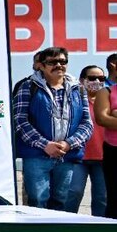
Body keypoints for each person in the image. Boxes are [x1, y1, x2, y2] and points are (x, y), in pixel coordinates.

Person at [12, 47, 93, 211]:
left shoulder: (78, 89)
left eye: (62, 61)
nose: (58, 65)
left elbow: (87, 124)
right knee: (37, 201)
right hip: (36, 156)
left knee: (60, 201)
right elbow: (20, 121)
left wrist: (69, 144)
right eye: (52, 62)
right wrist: (45, 145)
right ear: (41, 66)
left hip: (66, 155)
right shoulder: (28, 86)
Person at [64, 65, 107, 215]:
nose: (96, 81)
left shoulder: (108, 100)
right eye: (92, 78)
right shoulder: (73, 100)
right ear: (82, 80)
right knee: (73, 193)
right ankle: (67, 228)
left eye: (101, 78)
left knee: (102, 197)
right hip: (78, 156)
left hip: (103, 157)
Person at [91, 77, 117, 218]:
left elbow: (110, 117)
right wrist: (111, 115)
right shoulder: (106, 92)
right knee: (114, 197)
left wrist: (114, 114)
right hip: (114, 151)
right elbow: (102, 118)